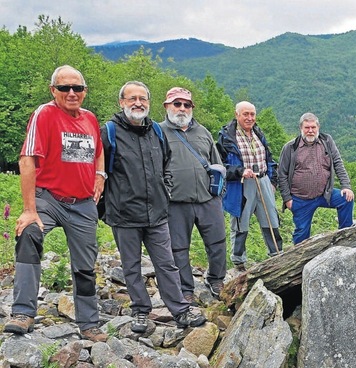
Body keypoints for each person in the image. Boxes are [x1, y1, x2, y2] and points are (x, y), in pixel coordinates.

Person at [4, 65, 108, 341]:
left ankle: (88, 324)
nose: (71, 93)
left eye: (77, 88)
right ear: (53, 90)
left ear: (85, 91)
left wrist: (100, 174)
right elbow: (27, 159)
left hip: (83, 203)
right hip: (48, 198)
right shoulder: (45, 114)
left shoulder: (90, 119)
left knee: (86, 264)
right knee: (28, 234)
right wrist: (29, 210)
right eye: (64, 88)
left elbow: (98, 151)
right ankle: (23, 312)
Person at [101, 82, 206, 333]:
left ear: (149, 102)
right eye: (132, 99)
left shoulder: (156, 132)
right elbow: (99, 171)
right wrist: (105, 208)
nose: (138, 103)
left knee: (167, 263)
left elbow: (166, 163)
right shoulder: (109, 132)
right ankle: (140, 310)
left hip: (157, 212)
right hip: (124, 214)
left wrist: (165, 189)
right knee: (131, 265)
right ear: (121, 102)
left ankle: (180, 310)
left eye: (143, 99)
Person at [160, 87, 228, 300]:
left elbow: (217, 163)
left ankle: (216, 280)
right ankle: (186, 290)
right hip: (175, 201)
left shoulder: (203, 132)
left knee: (217, 242)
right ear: (167, 106)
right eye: (177, 104)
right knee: (178, 248)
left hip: (208, 199)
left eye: (186, 104)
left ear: (192, 108)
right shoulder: (157, 132)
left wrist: (219, 193)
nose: (182, 108)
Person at [218, 101, 282, 270]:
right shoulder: (226, 137)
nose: (249, 118)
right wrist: (240, 171)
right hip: (242, 184)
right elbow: (220, 166)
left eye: (252, 114)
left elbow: (269, 159)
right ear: (236, 114)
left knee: (271, 220)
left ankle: (276, 255)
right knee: (241, 223)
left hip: (263, 181)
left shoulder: (258, 133)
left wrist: (272, 181)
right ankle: (239, 261)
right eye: (245, 114)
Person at [278, 112, 354, 244]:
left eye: (313, 127)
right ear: (301, 128)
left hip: (324, 194)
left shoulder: (327, 141)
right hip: (300, 199)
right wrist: (287, 199)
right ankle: (299, 260)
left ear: (318, 127)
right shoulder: (290, 147)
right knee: (302, 233)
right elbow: (281, 174)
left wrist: (346, 186)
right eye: (307, 128)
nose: (310, 131)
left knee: (346, 199)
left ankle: (345, 237)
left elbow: (337, 163)